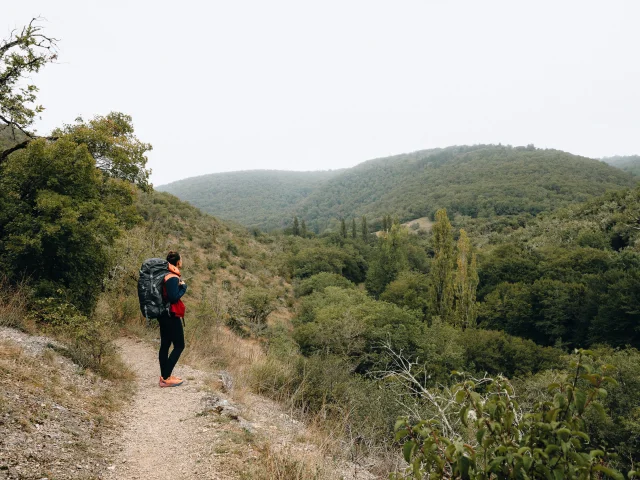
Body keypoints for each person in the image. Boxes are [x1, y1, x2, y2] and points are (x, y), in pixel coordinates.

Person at [158, 250, 187, 387]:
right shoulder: (172, 277)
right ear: (177, 262)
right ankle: (165, 377)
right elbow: (174, 297)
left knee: (165, 344)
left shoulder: (163, 274)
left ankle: (166, 375)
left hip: (162, 314)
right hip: (170, 315)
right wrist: (183, 288)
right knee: (179, 345)